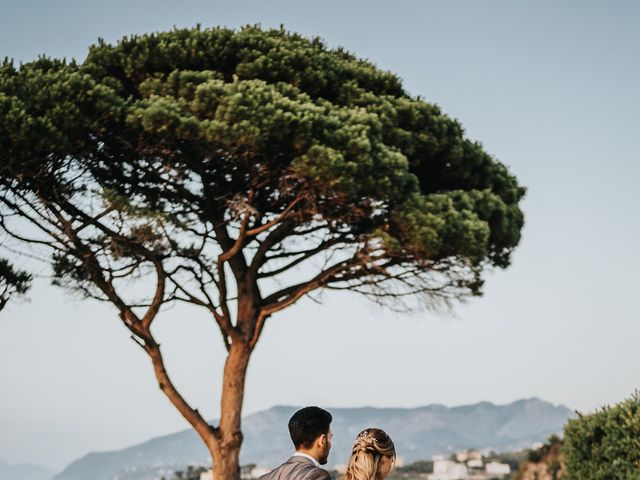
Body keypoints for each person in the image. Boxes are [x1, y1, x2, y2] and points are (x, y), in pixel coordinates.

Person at [259, 406, 333, 480]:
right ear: (322, 440)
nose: (330, 443)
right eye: (330, 438)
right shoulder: (317, 475)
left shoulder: (264, 477)